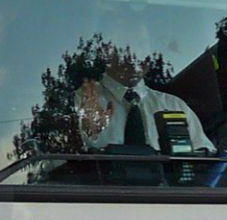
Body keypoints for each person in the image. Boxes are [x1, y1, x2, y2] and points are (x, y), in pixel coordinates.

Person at [76, 57, 213, 154]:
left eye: (142, 46)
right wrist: (88, 135)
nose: (134, 56)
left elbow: (205, 159)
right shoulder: (79, 101)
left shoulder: (174, 106)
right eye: (125, 48)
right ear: (107, 52)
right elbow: (67, 162)